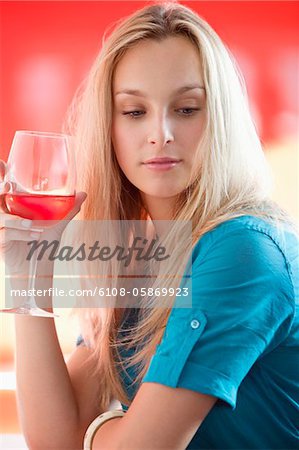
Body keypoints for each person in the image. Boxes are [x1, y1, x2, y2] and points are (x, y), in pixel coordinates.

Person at [0, 2, 298, 449]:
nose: (160, 132)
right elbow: (53, 441)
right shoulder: (139, 255)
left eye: (187, 108)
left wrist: (96, 431)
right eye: (134, 112)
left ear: (220, 119)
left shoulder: (242, 251)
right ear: (109, 127)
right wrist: (26, 271)